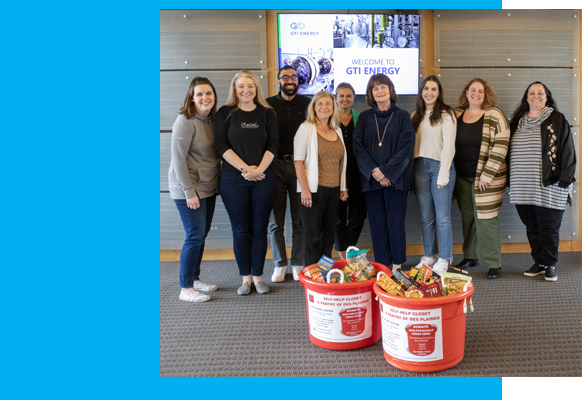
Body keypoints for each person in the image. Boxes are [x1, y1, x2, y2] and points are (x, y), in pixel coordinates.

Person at [214, 70, 279, 295]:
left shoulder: (267, 114)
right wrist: (246, 169)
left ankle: (259, 278)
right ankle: (245, 278)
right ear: (235, 89)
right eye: (241, 86)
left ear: (256, 89)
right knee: (241, 230)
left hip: (264, 179)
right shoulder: (225, 113)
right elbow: (221, 145)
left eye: (250, 86)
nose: (246, 90)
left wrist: (259, 170)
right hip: (233, 180)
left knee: (260, 229)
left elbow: (273, 145)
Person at [508, 82, 576, 282]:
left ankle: (550, 264)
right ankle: (539, 261)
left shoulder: (556, 119)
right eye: (532, 92)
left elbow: (568, 150)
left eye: (540, 93)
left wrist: (566, 179)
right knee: (532, 226)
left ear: (547, 97)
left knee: (548, 228)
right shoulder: (517, 122)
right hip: (522, 185)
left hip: (550, 185)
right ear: (526, 97)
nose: (536, 96)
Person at [352, 74, 415, 272]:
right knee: (377, 225)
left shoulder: (403, 115)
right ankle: (381, 264)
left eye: (383, 87)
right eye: (375, 88)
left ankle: (397, 264)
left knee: (395, 223)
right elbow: (358, 147)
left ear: (390, 89)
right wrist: (375, 172)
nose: (379, 91)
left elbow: (407, 148)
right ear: (371, 93)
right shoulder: (364, 117)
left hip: (396, 181)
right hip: (371, 181)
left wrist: (387, 172)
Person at [169, 77, 221, 303]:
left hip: (208, 186)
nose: (204, 98)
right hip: (187, 188)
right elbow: (178, 159)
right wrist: (189, 192)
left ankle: (195, 278)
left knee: (202, 235)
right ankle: (185, 287)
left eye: (208, 93)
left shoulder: (213, 120)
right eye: (199, 94)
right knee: (194, 235)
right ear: (191, 97)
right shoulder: (185, 120)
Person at [453, 78, 510, 279]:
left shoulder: (494, 114)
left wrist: (487, 174)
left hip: (488, 178)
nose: (476, 94)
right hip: (462, 176)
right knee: (468, 216)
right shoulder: (457, 114)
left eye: (481, 91)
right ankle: (470, 256)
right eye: (472, 90)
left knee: (486, 219)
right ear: (466, 92)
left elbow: (501, 145)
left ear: (486, 95)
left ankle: (493, 263)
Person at [266, 66, 311, 282]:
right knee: (276, 221)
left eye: (293, 77)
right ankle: (279, 264)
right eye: (285, 77)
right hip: (274, 165)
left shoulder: (307, 104)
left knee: (299, 219)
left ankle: (298, 263)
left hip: (299, 166)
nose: (290, 80)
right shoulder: (267, 105)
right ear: (278, 81)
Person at [294, 91, 348, 267]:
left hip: (333, 191)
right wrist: (305, 189)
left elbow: (341, 162)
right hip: (313, 191)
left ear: (333, 108)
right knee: (313, 236)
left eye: (328, 104)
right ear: (314, 107)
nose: (324, 107)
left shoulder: (337, 130)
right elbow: (298, 161)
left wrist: (343, 187)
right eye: (320, 104)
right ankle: (311, 275)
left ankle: (324, 272)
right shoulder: (306, 128)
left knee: (328, 236)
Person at [411, 75, 457, 272]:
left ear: (439, 93)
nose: (429, 92)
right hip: (419, 166)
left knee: (442, 217)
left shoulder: (447, 114)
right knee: (426, 217)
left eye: (433, 89)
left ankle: (445, 258)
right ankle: (430, 256)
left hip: (440, 167)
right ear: (421, 91)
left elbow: (449, 146)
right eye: (426, 89)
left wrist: (444, 173)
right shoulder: (416, 114)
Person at [333, 82, 367, 260]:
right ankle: (342, 256)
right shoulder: (329, 119)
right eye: (341, 95)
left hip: (357, 175)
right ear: (336, 98)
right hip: (334, 174)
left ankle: (349, 250)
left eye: (348, 96)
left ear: (353, 98)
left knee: (357, 217)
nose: (345, 99)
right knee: (338, 219)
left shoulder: (360, 118)